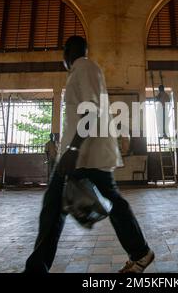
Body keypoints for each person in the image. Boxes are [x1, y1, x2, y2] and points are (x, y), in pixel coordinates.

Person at [24, 36, 154, 273]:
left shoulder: (84, 66)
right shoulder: (80, 71)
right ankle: (140, 252)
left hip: (86, 153)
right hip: (83, 154)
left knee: (69, 206)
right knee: (55, 206)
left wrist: (73, 149)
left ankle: (141, 252)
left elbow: (91, 111)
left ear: (68, 51)